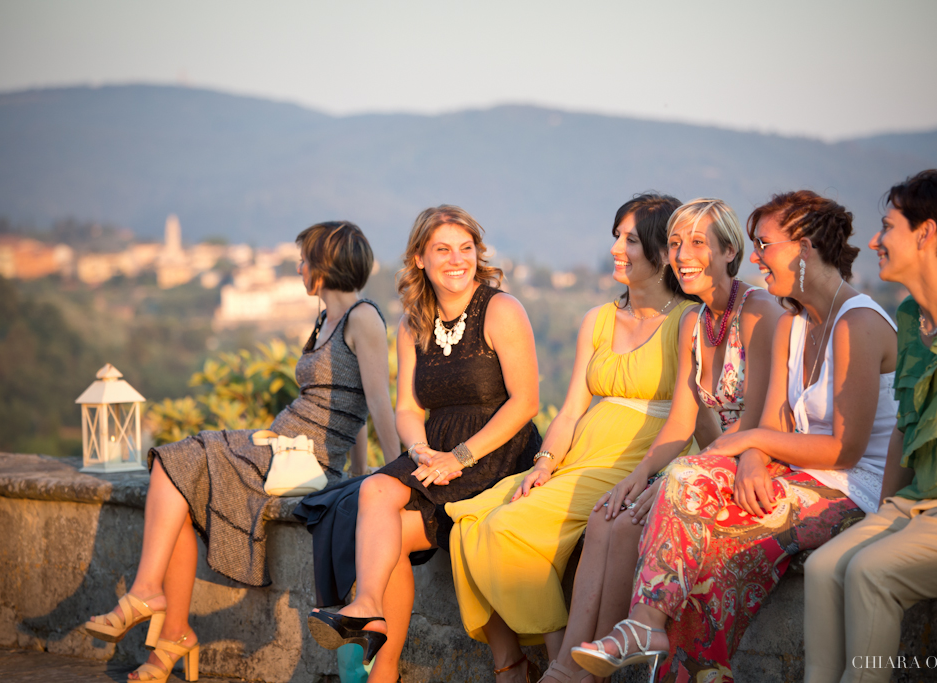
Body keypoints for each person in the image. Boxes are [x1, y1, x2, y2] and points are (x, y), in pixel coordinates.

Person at [573, 190, 899, 683]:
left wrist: (739, 448)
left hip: (854, 488)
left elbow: (843, 450)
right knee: (704, 559)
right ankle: (698, 669)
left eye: (764, 245)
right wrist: (750, 458)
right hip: (796, 474)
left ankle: (643, 625)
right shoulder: (793, 322)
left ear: (805, 248)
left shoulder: (858, 323)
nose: (759, 258)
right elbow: (767, 424)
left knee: (687, 476)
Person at [82, 221, 399, 682]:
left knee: (180, 456)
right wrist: (363, 466)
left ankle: (148, 593)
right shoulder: (324, 319)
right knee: (181, 478)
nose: (299, 267)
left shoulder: (363, 318)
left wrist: (386, 476)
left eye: (304, 259)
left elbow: (377, 404)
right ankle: (172, 636)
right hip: (282, 443)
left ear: (324, 266)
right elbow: (350, 403)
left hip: (304, 458)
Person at [446, 194, 711, 683]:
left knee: (505, 530)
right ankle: (528, 663)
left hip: (637, 458)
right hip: (579, 457)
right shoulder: (598, 318)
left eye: (630, 239)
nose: (616, 248)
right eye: (616, 236)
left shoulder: (688, 320)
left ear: (659, 251)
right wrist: (545, 461)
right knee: (467, 522)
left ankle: (562, 663)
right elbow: (571, 408)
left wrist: (661, 474)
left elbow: (690, 416)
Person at [542, 198, 780, 683]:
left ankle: (587, 673)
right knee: (608, 513)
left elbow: (756, 428)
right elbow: (680, 423)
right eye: (674, 244)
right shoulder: (693, 323)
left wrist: (672, 481)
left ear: (730, 251)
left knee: (630, 526)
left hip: (754, 466)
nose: (683, 254)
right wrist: (637, 476)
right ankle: (568, 666)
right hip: (708, 464)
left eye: (697, 243)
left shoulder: (759, 313)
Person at [305, 205, 542, 683]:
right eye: (442, 250)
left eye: (466, 248)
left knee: (383, 518)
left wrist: (461, 456)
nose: (457, 260)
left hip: (497, 451)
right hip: (435, 454)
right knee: (377, 499)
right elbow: (409, 409)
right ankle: (374, 628)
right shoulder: (414, 323)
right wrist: (417, 451)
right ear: (419, 259)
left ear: (478, 254)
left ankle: (386, 652)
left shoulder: (500, 309)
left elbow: (526, 402)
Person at [803, 170, 937, 683]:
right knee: (823, 568)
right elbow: (904, 426)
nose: (875, 240)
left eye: (887, 226)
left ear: (926, 233)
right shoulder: (908, 315)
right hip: (918, 503)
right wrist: (880, 520)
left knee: (871, 573)